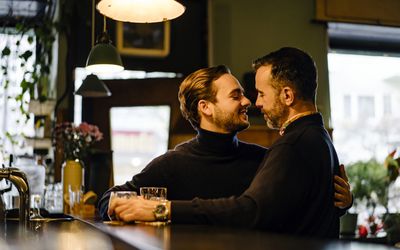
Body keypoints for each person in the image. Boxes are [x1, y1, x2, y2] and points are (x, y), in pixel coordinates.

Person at [108, 47, 348, 239]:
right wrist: (133, 208)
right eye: (236, 95)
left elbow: (255, 210)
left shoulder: (270, 155)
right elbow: (111, 198)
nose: (250, 102)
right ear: (206, 107)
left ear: (287, 95)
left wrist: (336, 201)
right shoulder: (173, 163)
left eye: (256, 94)